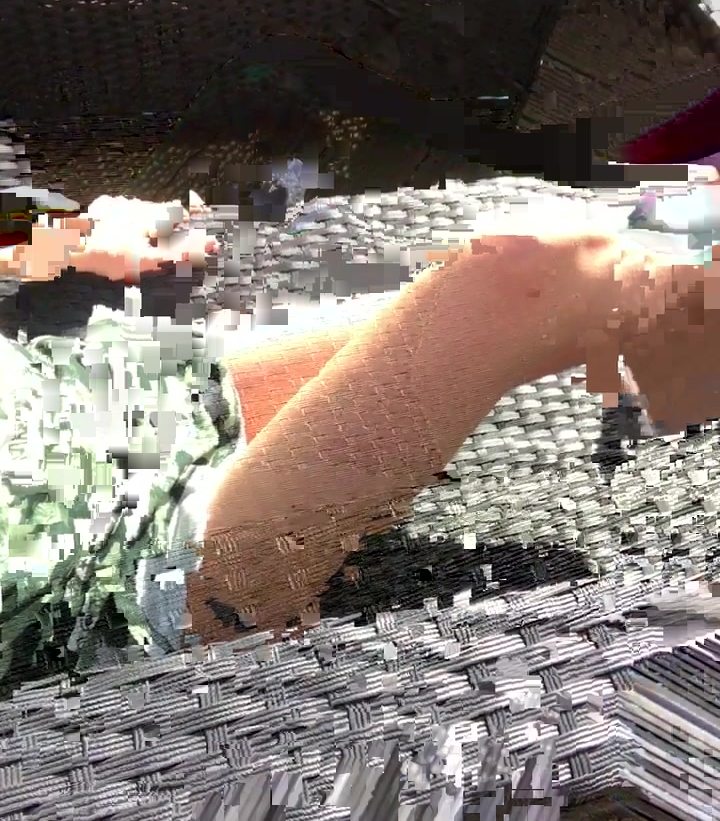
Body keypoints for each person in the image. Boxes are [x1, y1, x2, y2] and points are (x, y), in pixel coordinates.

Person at [0, 175, 718, 686]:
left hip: (96, 402)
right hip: (85, 576)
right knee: (541, 274)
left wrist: (47, 235)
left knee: (557, 264)